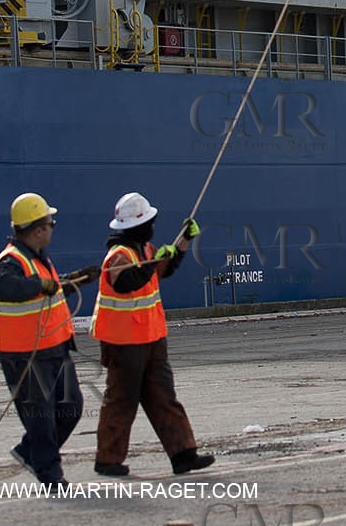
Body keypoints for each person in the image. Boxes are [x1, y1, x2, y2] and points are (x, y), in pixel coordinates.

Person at [91, 192, 215, 477]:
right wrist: (152, 263)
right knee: (121, 400)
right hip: (124, 343)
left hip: (151, 339)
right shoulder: (119, 256)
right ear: (137, 225)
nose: (152, 226)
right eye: (149, 221)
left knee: (163, 397)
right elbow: (126, 283)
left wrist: (182, 242)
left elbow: (164, 269)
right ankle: (108, 460)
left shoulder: (144, 250)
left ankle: (184, 454)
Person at [0, 192, 89, 493]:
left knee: (71, 408)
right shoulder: (12, 260)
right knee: (40, 418)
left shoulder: (37, 259)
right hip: (23, 354)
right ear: (37, 229)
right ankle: (51, 475)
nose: (52, 228)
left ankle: (28, 452)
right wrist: (42, 284)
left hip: (54, 348)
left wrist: (73, 281)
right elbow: (6, 288)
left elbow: (48, 292)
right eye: (51, 223)